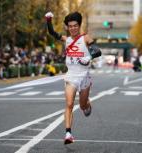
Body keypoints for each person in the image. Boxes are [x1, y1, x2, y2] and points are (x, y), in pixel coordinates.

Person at [45, 11, 100, 144]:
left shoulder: (85, 38)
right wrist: (48, 20)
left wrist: (89, 56)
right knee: (69, 104)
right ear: (67, 27)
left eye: (75, 25)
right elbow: (52, 33)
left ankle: (87, 104)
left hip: (84, 77)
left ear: (79, 25)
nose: (73, 28)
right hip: (71, 77)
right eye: (70, 26)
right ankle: (68, 134)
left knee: (82, 106)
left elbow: (98, 51)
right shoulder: (66, 39)